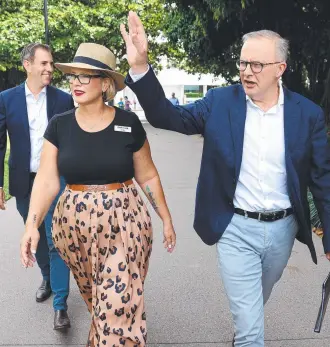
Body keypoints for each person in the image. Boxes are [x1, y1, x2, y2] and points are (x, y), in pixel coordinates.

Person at [121, 12, 330, 347]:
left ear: (280, 68)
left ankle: (247, 322)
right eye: (243, 62)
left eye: (257, 65)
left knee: (254, 303)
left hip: (283, 229)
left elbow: (322, 178)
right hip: (235, 228)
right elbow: (166, 116)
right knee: (251, 332)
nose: (247, 71)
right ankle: (246, 332)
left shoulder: (307, 114)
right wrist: (142, 68)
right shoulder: (220, 102)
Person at [20, 42, 176, 347]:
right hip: (73, 230)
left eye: (84, 76)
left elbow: (148, 175)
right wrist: (31, 226)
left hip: (125, 224)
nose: (75, 83)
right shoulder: (60, 126)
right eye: (73, 77)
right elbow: (47, 180)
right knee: (99, 299)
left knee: (118, 302)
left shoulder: (128, 124)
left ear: (105, 84)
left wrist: (166, 219)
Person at [0, 43, 73, 330]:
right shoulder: (6, 99)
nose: (49, 69)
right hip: (23, 181)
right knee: (35, 237)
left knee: (56, 239)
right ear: (27, 65)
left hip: (55, 179)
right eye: (43, 63)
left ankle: (61, 306)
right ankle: (47, 277)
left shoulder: (63, 100)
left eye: (51, 64)